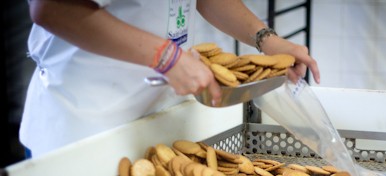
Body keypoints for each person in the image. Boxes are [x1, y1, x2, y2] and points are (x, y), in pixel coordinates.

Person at [21, 0, 320, 158]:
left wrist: (266, 39)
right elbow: (52, 8)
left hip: (159, 119)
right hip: (86, 125)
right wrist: (167, 57)